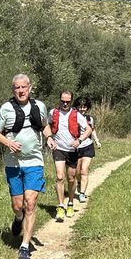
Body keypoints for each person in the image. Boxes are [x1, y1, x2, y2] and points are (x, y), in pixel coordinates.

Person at [0, 74, 54, 259]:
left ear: (30, 88)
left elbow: (44, 127)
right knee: (18, 205)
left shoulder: (39, 107)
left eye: (24, 87)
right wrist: (9, 143)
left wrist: (50, 138)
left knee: (30, 202)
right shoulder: (6, 109)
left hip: (35, 162)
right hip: (13, 164)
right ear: (13, 90)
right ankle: (18, 218)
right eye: (17, 88)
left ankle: (25, 247)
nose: (21, 91)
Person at [46, 91, 92, 222]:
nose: (65, 104)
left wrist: (80, 140)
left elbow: (88, 129)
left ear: (71, 102)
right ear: (59, 100)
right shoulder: (53, 112)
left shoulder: (76, 115)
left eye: (68, 102)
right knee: (60, 177)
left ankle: (70, 203)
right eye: (63, 101)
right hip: (58, 149)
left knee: (71, 178)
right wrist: (49, 138)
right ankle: (60, 206)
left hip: (72, 150)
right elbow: (47, 125)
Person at [73, 97, 101, 203]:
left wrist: (97, 140)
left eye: (84, 107)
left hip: (88, 146)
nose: (82, 109)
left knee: (84, 170)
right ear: (76, 107)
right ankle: (79, 183)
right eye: (80, 107)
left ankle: (82, 194)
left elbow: (92, 131)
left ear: (87, 108)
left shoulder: (90, 119)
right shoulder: (72, 118)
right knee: (77, 171)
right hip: (76, 147)